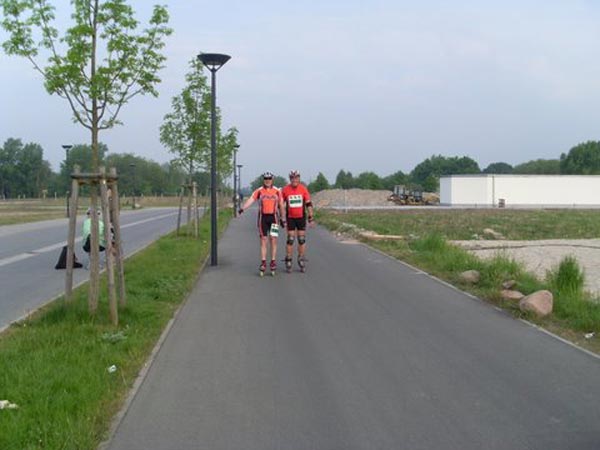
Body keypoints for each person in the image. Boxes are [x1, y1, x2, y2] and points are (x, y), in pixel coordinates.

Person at [239, 172, 286, 276]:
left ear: (272, 180)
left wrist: (283, 219)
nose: (267, 180)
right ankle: (263, 262)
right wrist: (242, 209)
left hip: (274, 218)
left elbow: (281, 205)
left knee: (273, 239)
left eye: (269, 178)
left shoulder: (277, 191)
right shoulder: (259, 191)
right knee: (263, 240)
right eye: (266, 178)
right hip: (262, 218)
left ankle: (273, 261)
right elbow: (251, 200)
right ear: (263, 180)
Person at [281, 170, 314, 273]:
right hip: (290, 217)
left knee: (301, 239)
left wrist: (311, 217)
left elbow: (308, 204)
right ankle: (289, 258)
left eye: (296, 178)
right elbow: (281, 205)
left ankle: (301, 258)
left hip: (301, 217)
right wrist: (282, 218)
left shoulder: (303, 189)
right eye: (292, 178)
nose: (294, 180)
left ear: (299, 178)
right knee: (290, 239)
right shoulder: (285, 190)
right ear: (290, 179)